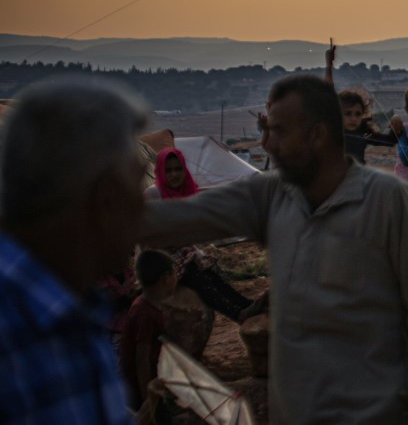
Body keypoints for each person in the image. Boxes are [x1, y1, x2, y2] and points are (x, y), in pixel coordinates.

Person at [141, 74, 408, 424]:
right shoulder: (272, 196)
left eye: (280, 132)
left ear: (318, 134)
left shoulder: (388, 199)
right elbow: (185, 216)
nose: (270, 144)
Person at [0, 77, 149, 423]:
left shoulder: (68, 312)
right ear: (107, 198)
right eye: (139, 182)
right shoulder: (12, 330)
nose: (146, 207)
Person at [144, 147, 264, 323]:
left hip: (181, 252)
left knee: (210, 274)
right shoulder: (153, 194)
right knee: (198, 277)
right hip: (159, 256)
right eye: (168, 170)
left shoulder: (187, 191)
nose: (174, 174)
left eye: (178, 169)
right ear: (160, 171)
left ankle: (246, 305)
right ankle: (237, 313)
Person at [323, 42, 400, 163]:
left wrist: (396, 125)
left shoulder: (364, 133)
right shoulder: (334, 131)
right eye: (348, 114)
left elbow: (389, 141)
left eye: (357, 114)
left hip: (358, 178)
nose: (353, 118)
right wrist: (329, 64)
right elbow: (327, 90)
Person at [120, 249, 177, 411]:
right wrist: (148, 400)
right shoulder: (145, 314)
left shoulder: (146, 306)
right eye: (174, 274)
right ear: (166, 278)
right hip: (140, 393)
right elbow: (141, 359)